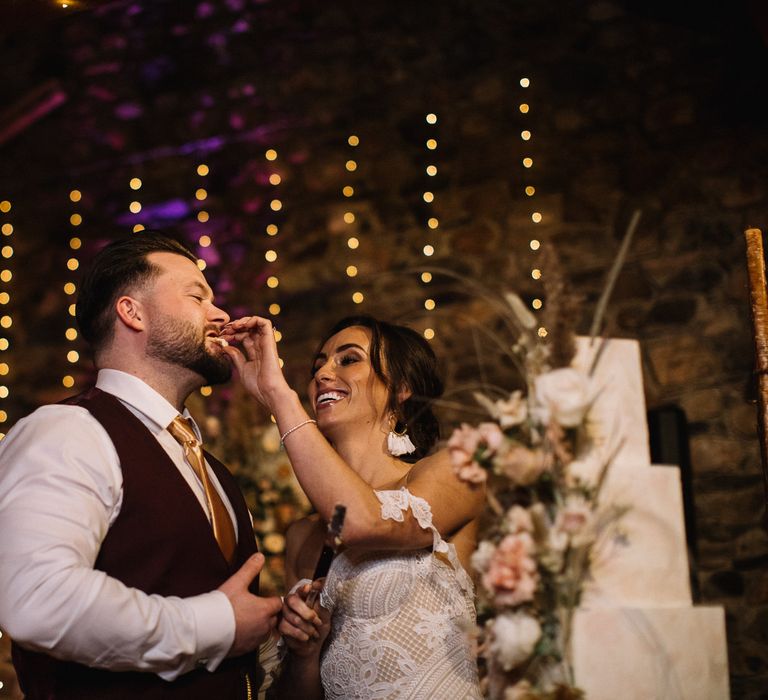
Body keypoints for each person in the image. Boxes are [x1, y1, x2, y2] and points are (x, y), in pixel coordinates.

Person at [0, 232, 282, 699]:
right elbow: (37, 600)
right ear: (132, 312)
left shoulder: (213, 470)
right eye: (197, 296)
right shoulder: (68, 430)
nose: (220, 315)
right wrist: (213, 624)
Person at [221, 314, 485, 699]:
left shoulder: (457, 469)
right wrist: (305, 654)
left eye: (348, 359)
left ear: (402, 386)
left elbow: (363, 522)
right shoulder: (302, 535)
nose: (323, 374)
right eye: (318, 366)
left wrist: (279, 396)